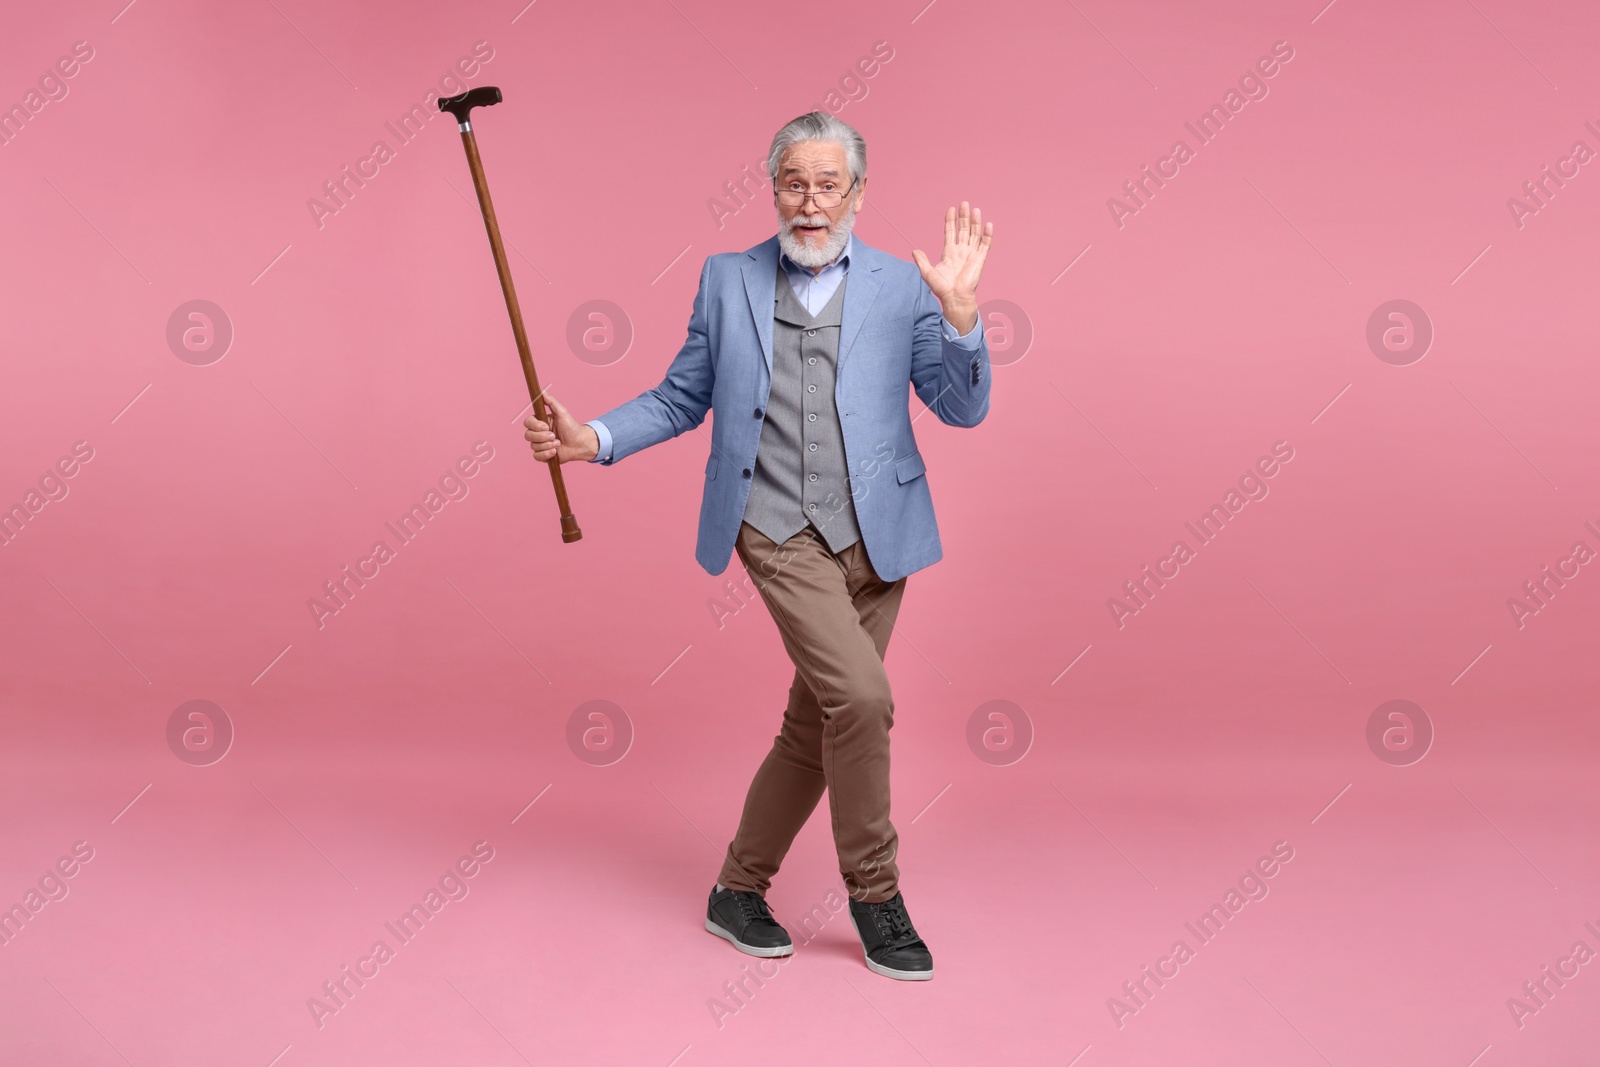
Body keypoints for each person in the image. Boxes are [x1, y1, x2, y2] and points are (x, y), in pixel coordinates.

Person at [524, 111, 993, 981]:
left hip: (880, 539)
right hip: (774, 528)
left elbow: (962, 409)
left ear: (858, 193)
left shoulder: (901, 288)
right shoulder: (725, 279)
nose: (809, 203)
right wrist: (592, 436)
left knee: (814, 726)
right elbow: (679, 397)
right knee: (861, 697)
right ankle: (877, 894)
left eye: (828, 185)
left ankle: (737, 889)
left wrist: (963, 319)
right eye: (793, 183)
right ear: (772, 186)